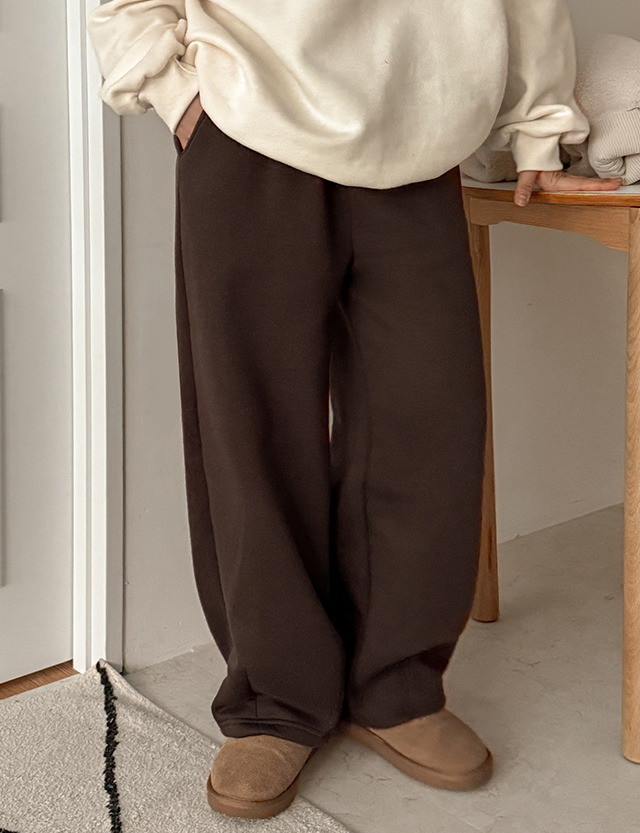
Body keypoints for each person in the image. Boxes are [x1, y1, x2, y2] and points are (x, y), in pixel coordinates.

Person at [87, 0, 623, 820]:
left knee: (429, 419)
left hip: (422, 129)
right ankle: (274, 699)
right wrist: (175, 91)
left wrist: (540, 126)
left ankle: (396, 685)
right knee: (253, 425)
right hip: (246, 122)